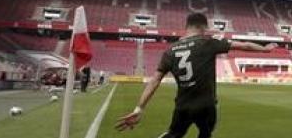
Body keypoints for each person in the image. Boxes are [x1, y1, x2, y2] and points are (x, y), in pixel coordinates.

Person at [115, 13, 273, 137]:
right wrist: (265, 50)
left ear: (187, 26)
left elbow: (155, 80)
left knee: (174, 134)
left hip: (183, 106)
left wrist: (139, 108)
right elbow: (244, 45)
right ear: (203, 27)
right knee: (205, 133)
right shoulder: (208, 41)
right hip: (206, 105)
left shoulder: (170, 50)